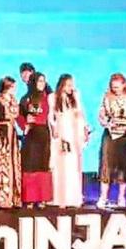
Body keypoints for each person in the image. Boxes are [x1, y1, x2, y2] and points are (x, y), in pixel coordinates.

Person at [97, 73, 126, 209]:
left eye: (118, 87)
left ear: (124, 85)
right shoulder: (107, 97)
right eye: (113, 87)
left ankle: (121, 197)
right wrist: (106, 122)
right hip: (111, 135)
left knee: (123, 167)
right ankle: (103, 197)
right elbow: (102, 114)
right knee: (106, 165)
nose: (115, 90)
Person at [49, 74, 90, 208]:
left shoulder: (75, 97)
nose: (70, 88)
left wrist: (84, 129)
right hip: (61, 134)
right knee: (62, 166)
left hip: (73, 134)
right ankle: (61, 198)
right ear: (61, 85)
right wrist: (54, 129)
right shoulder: (53, 97)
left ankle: (74, 198)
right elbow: (51, 117)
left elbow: (80, 114)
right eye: (68, 85)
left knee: (73, 165)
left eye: (72, 85)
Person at [19, 72, 53, 208]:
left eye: (43, 81)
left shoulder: (48, 98)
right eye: (39, 81)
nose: (42, 84)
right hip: (31, 134)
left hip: (44, 133)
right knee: (30, 165)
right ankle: (30, 198)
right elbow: (19, 116)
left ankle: (42, 198)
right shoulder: (26, 99)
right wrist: (25, 124)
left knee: (43, 164)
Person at [0, 76, 22, 209]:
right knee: (3, 165)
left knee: (13, 163)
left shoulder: (13, 100)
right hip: (3, 133)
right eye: (12, 87)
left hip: (12, 133)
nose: (14, 90)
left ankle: (14, 197)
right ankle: (3, 198)